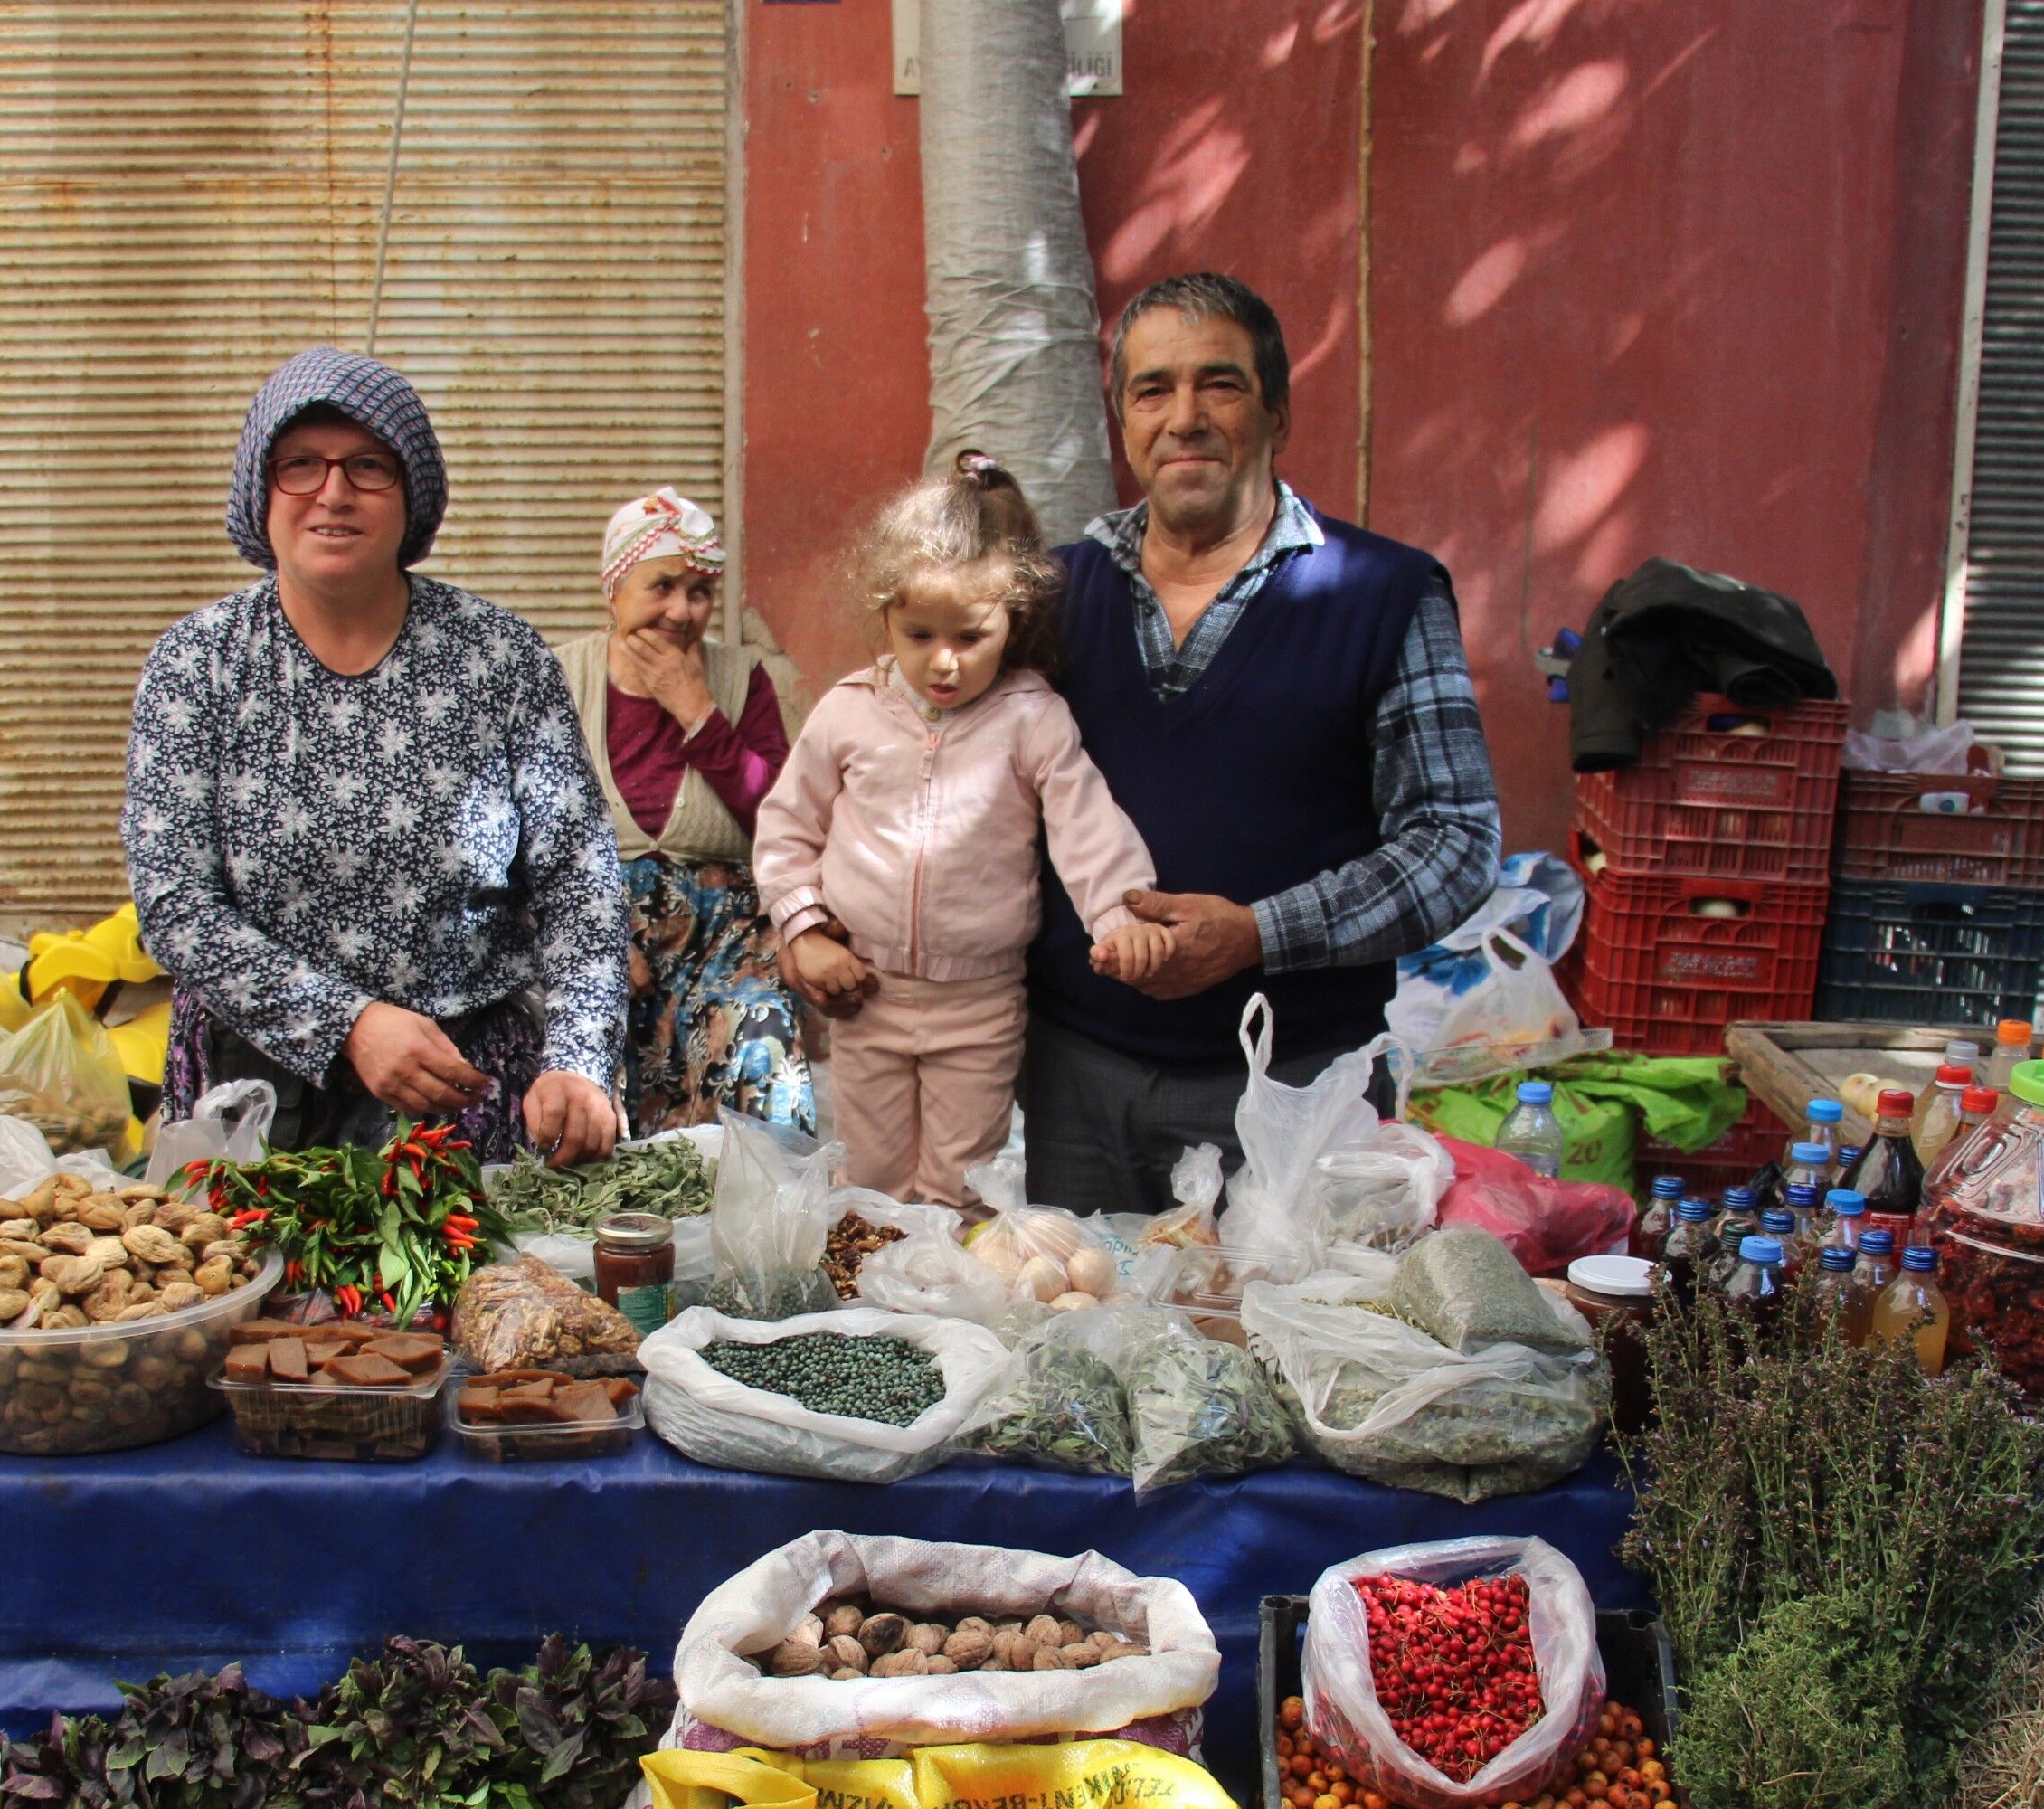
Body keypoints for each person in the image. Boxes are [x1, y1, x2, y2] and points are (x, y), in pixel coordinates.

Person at [1022, 271, 1504, 1213]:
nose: (1184, 417)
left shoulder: (1381, 594)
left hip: (1293, 1091)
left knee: (1272, 1344)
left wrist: (1258, 934)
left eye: (1221, 384)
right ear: (1122, 420)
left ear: (1276, 412)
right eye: (1151, 389)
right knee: (1064, 1339)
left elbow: (1454, 842)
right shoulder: (1054, 594)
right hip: (1071, 1084)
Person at [124, 347, 625, 1164]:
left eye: (368, 466)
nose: (333, 492)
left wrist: (578, 1056)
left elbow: (580, 881)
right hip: (254, 1096)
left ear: (413, 494)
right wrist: (345, 1022)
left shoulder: (499, 660)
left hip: (463, 1098)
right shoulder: (198, 664)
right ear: (261, 487)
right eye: (300, 465)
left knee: (477, 1296)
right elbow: (175, 903)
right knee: (247, 1293)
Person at [753, 456, 1172, 1207]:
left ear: (1012, 621)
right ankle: (877, 1314)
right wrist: (805, 929)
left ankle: (944, 1314)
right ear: (883, 615)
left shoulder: (1031, 717)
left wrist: (1121, 913)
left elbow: (1086, 823)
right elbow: (787, 829)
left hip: (980, 1005)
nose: (942, 662)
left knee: (961, 1185)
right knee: (872, 1183)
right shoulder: (849, 711)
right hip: (865, 993)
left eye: (970, 636)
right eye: (917, 633)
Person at [552, 489, 813, 1133]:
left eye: (698, 592)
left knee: (763, 1040)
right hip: (596, 930)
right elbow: (529, 836)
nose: (680, 610)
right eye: (660, 586)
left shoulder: (740, 676)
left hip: (727, 941)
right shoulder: (558, 676)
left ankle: (760, 1223)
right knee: (583, 1064)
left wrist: (698, 712)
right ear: (614, 588)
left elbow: (779, 817)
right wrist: (595, 938)